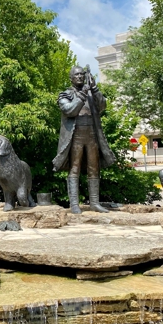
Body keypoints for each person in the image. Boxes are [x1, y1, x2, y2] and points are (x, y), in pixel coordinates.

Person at [53, 65, 115, 213]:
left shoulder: (91, 93)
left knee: (94, 168)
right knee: (74, 168)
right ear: (71, 78)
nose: (80, 77)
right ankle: (74, 204)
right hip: (76, 136)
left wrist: (94, 89)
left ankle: (94, 203)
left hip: (92, 135)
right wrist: (83, 94)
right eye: (77, 75)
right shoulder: (66, 94)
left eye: (82, 74)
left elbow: (103, 105)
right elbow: (69, 110)